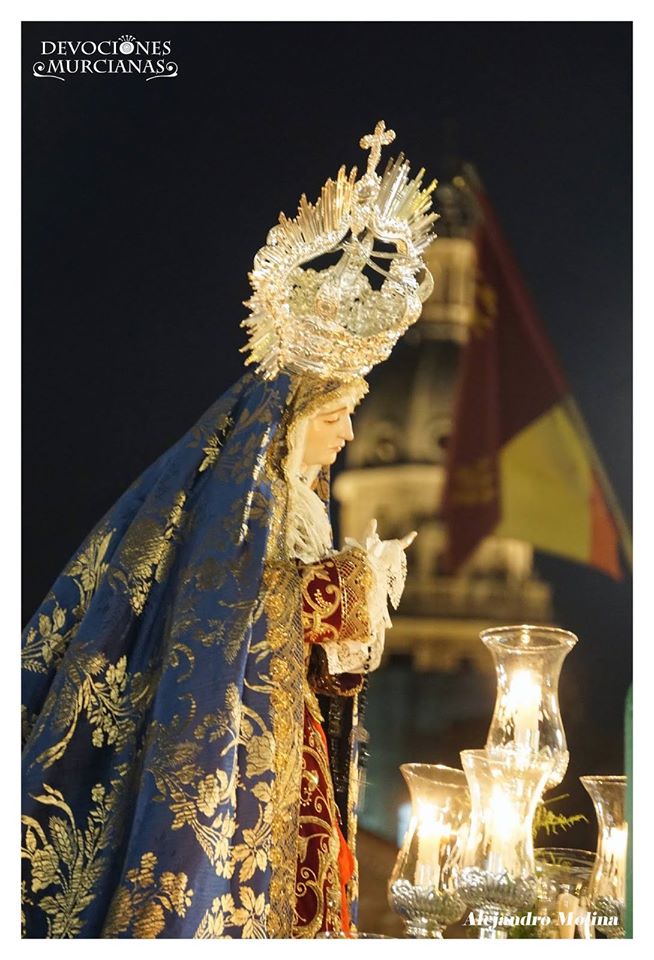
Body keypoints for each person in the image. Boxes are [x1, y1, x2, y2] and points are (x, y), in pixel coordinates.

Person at [21, 121, 437, 938]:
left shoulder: (300, 506)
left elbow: (310, 647)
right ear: (289, 419)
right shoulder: (240, 507)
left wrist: (350, 627)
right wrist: (352, 584)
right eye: (340, 414)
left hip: (290, 745)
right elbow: (224, 610)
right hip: (232, 755)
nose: (348, 437)